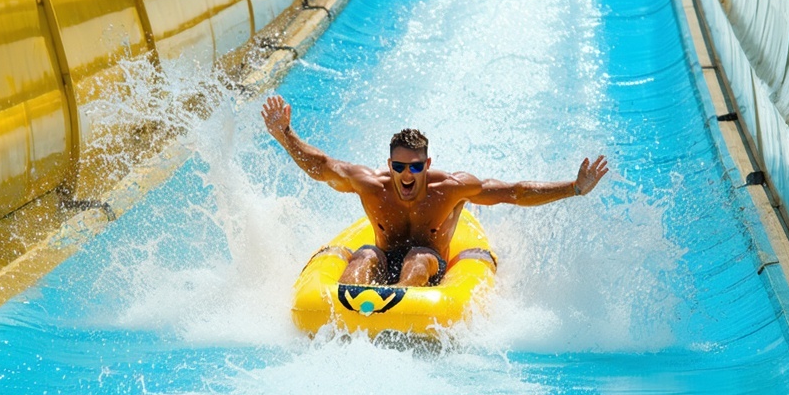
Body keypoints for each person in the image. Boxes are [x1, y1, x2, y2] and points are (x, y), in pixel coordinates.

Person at [261, 94, 609, 287]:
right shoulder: (371, 185)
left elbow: (513, 192)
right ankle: (346, 308)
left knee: (418, 258)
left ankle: (392, 309)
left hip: (431, 267)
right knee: (365, 255)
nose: (406, 174)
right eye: (399, 167)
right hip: (383, 261)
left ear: (426, 166)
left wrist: (574, 188)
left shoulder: (450, 189)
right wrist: (285, 135)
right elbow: (323, 168)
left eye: (414, 167)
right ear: (389, 165)